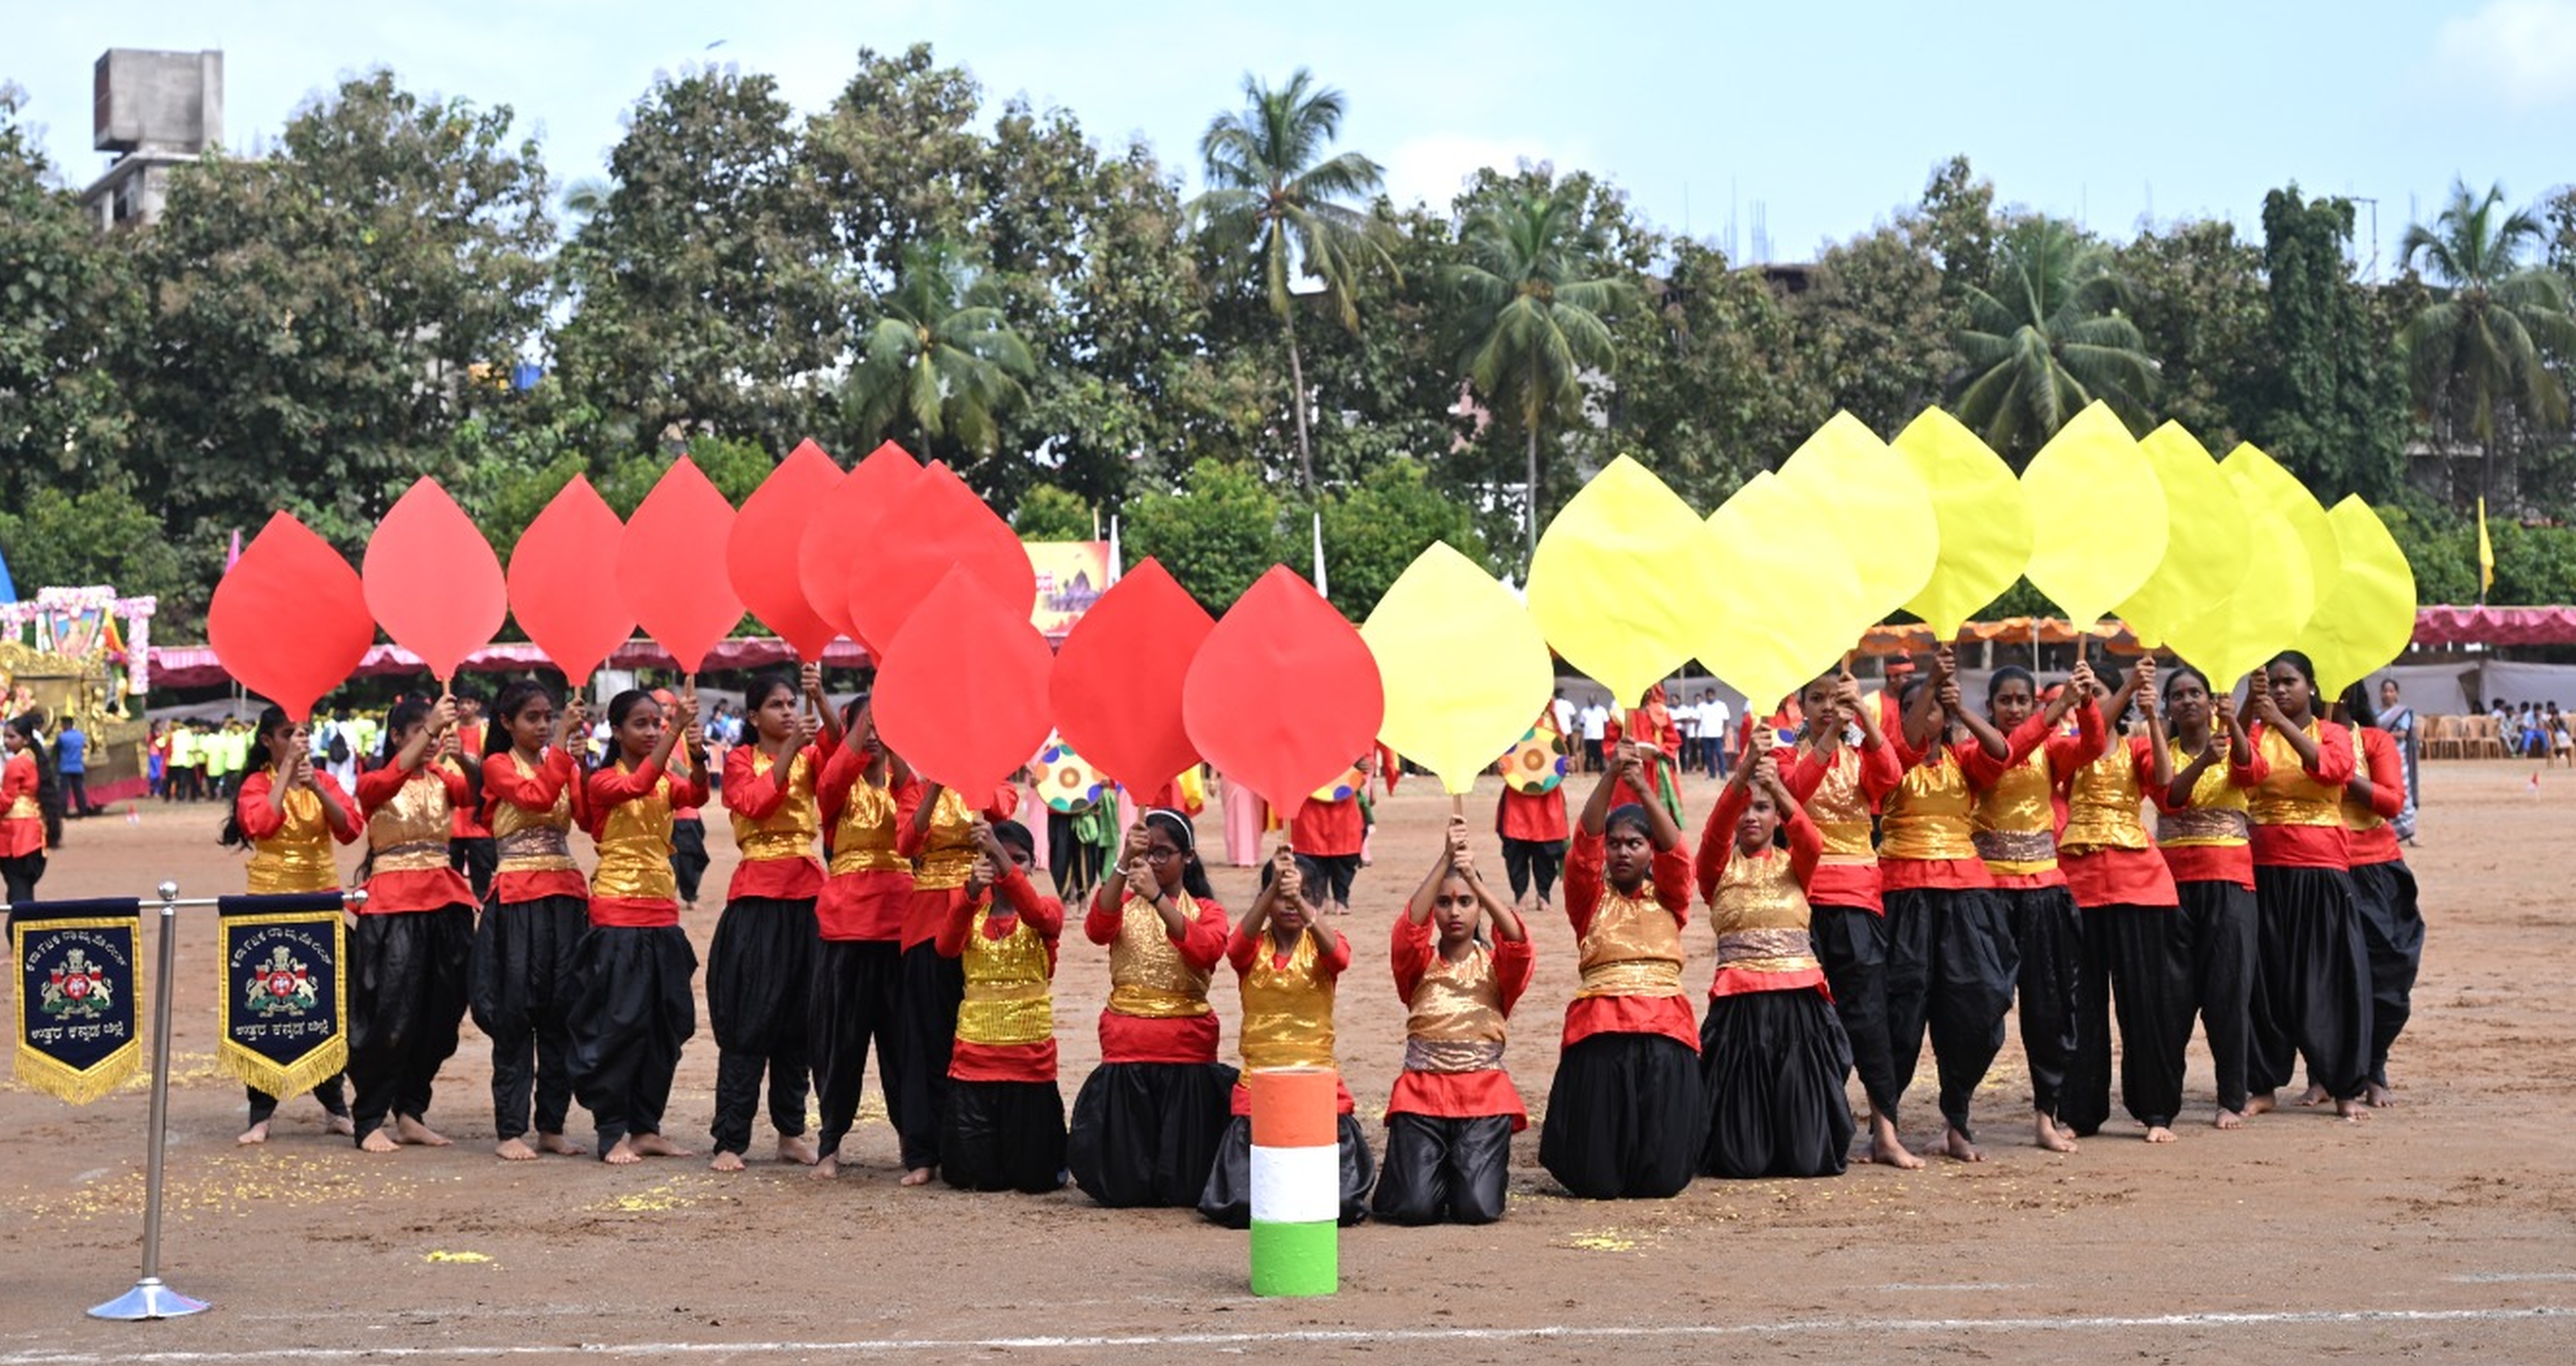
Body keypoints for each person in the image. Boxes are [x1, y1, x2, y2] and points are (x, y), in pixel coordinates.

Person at [1750, 669, 1903, 1167]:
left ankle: (1885, 1131)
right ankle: (1815, 1128)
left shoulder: (1861, 753)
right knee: (1809, 1024)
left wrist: (1862, 716)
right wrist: (1832, 736)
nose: (1823, 707)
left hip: (1858, 899)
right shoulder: (1784, 757)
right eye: (1815, 699)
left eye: (1832, 699)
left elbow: (1892, 780)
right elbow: (1793, 792)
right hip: (1801, 901)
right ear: (1799, 706)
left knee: (1869, 1017)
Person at [1541, 740, 1702, 1200]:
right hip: (1601, 1034)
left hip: (1665, 1033)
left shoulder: (1671, 897)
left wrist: (1643, 790)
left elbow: (1680, 857)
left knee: (1663, 1182)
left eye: (1635, 843)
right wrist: (1611, 776)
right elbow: (1583, 847)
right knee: (1598, 1182)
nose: (1622, 852)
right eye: (1615, 845)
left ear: (1650, 851)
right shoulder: (1588, 898)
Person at [1962, 660, 2105, 1154]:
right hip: (1989, 894)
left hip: (2044, 890)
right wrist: (2057, 708)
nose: (2015, 708)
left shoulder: (2052, 752)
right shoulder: (1972, 752)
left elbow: (2093, 747)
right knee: (1977, 1007)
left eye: (2024, 700)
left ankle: (2047, 1115)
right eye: (2007, 700)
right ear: (1991, 707)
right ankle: (1957, 1117)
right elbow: (2004, 756)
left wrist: (2085, 704)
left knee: (2049, 1010)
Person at [1694, 744, 1854, 1177]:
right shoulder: (1717, 870)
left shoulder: (1798, 865)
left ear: (1778, 817)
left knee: (1806, 1161)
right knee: (1742, 1163)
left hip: (1799, 1009)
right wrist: (1745, 773)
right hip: (1740, 1010)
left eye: (1762, 809)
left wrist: (1780, 791)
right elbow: (1713, 832)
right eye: (1745, 810)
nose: (1751, 817)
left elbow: (1811, 837)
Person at [1066, 809, 1235, 1207]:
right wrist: (1124, 863)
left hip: (1186, 1046)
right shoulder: (1123, 902)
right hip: (1128, 1042)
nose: (1156, 862)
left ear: (1187, 857)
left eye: (1164, 854)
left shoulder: (1208, 910)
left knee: (1185, 1185)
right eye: (1150, 853)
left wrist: (1158, 899)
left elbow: (1205, 949)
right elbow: (1096, 929)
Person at [1199, 846, 1376, 1227]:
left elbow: (1341, 958)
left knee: (1340, 1205)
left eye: (1304, 896)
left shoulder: (1325, 943)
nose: (1290, 904)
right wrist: (1276, 887)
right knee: (1242, 1206)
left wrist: (1299, 898)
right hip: (1259, 1089)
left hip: (1317, 1091)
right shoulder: (1252, 950)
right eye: (1279, 896)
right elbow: (1234, 948)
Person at [570, 687, 708, 1164]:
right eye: (641, 724)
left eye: (656, 723)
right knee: (618, 1024)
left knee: (662, 1025)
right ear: (616, 730)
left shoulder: (667, 777)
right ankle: (611, 1130)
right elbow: (638, 786)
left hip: (661, 912)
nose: (651, 731)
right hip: (618, 912)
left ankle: (646, 1126)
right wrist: (675, 731)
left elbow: (697, 793)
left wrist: (698, 750)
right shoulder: (603, 780)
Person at [706, 667, 835, 1172]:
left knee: (799, 1024)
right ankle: (729, 1139)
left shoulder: (811, 756)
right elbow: (754, 803)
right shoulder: (740, 759)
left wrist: (819, 697)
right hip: (757, 896)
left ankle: (789, 1132)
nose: (787, 711)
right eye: (777, 705)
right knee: (748, 1022)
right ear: (753, 715)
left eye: (790, 703)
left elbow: (844, 756)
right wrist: (790, 752)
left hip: (807, 896)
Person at [1374, 816, 1532, 1225]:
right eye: (1445, 903)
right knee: (1414, 1209)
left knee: (1475, 1209)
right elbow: (1407, 932)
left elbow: (1517, 941)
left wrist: (1475, 882)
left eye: (1465, 902)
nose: (1454, 912)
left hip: (1484, 1097)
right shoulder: (1418, 963)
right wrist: (1445, 859)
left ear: (1479, 907)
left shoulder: (1499, 968)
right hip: (1421, 1095)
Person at [1886, 649, 2009, 1163]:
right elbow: (1906, 743)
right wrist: (1932, 681)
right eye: (1916, 705)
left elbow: (2002, 750)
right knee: (1899, 1013)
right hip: (1904, 894)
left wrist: (1959, 709)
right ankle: (1885, 1126)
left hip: (1965, 894)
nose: (1927, 714)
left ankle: (1956, 1118)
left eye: (1933, 706)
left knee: (1977, 1005)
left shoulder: (1964, 761)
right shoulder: (1889, 758)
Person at [2057, 659, 2185, 1143]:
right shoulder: (2068, 748)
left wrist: (2153, 717)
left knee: (2145, 1004)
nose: (2092, 702)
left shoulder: (2135, 749)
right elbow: (2093, 728)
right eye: (2085, 694)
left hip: (2140, 885)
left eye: (2099, 693)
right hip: (2079, 884)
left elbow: (2168, 789)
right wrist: (2121, 688)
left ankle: (2156, 1112)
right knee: (2081, 1006)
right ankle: (2080, 1110)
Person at [219, 705, 359, 1144]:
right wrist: (285, 777)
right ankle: (261, 1111)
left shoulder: (323, 780)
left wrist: (316, 785)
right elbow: (260, 823)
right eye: (288, 734)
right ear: (268, 741)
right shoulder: (255, 784)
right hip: (269, 907)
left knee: (329, 1008)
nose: (299, 741)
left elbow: (351, 829)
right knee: (267, 1010)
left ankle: (335, 1104)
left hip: (321, 905)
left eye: (304, 733)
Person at [2244, 651, 2372, 1122]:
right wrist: (2250, 717)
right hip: (2264, 867)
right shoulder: (2257, 734)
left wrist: (2280, 721)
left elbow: (2333, 771)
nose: (2279, 691)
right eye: (2272, 684)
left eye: (2289, 682)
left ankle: (2343, 1087)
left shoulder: (2334, 732)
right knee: (2265, 983)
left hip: (2321, 870)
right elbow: (2244, 775)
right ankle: (2262, 1085)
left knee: (2330, 981)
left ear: (2311, 688)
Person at [347, 697, 477, 1154]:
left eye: (434, 730)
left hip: (446, 900)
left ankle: (411, 1111)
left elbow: (476, 794)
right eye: (420, 730)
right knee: (389, 1015)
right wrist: (433, 732)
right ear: (399, 737)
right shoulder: (374, 782)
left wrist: (461, 753)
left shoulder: (444, 779)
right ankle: (368, 1118)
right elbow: (381, 786)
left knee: (439, 1018)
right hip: (393, 906)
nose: (431, 738)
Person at [470, 681, 593, 1161]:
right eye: (533, 718)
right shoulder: (498, 766)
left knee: (562, 1014)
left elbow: (583, 819)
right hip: (519, 898)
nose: (543, 726)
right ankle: (510, 1129)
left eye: (549, 717)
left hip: (564, 896)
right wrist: (564, 747)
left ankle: (552, 1126)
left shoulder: (557, 761)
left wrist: (577, 764)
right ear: (506, 723)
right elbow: (539, 798)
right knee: (515, 1014)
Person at [807, 694, 918, 1180]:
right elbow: (831, 777)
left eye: (882, 726)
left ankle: (914, 1146)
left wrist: (895, 733)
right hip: (847, 926)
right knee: (840, 1044)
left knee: (903, 1046)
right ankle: (829, 1145)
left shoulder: (905, 785)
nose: (873, 734)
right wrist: (869, 711)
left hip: (900, 925)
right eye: (863, 727)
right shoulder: (837, 790)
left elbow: (917, 802)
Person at [891, 772, 1021, 1186]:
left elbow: (1005, 809)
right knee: (926, 1038)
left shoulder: (990, 776)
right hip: (928, 915)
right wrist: (935, 785)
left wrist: (973, 780)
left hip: (980, 909)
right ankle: (923, 1151)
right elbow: (906, 844)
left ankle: (973, 1143)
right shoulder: (914, 786)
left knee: (978, 1036)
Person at [2154, 665, 2263, 1129]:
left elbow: (2251, 769)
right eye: (2177, 695)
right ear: (2168, 708)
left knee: (2228, 992)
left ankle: (2231, 1097)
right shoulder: (2160, 751)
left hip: (2230, 880)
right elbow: (2168, 798)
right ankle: (2163, 1100)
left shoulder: (2232, 741)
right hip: (2171, 884)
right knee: (2171, 997)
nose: (2187, 701)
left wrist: (2235, 720)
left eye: (2195, 692)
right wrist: (2203, 762)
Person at [936, 818, 1068, 1193]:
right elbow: (945, 948)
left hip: (1030, 1064)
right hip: (976, 1060)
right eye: (995, 858)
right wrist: (970, 892)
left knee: (1034, 1178)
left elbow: (1037, 916)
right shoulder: (969, 909)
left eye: (1018, 859)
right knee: (972, 1178)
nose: (1005, 865)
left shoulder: (1049, 908)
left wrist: (994, 850)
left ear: (1033, 863)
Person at [2333, 684, 2419, 1111]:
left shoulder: (2373, 740)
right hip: (2318, 872)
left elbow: (2391, 802)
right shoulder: (2289, 740)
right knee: (2324, 978)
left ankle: (2375, 1066)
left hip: (2375, 869)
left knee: (2387, 974)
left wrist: (2340, 771)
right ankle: (2325, 1073)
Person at [1496, 711, 1571, 914]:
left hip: (1547, 796)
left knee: (1548, 850)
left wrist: (1565, 764)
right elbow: (1504, 751)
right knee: (1516, 850)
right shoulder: (1514, 719)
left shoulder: (1550, 718)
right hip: (1518, 796)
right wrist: (1501, 763)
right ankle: (1521, 896)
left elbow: (1561, 749)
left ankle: (1543, 895)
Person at [1289, 756, 1370, 915]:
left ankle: (1342, 898)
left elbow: (1364, 755)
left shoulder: (1350, 732)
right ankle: (1320, 897)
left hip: (1345, 801)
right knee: (1312, 856)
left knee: (1345, 859)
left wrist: (1361, 764)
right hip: (1310, 800)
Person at [2, 714, 63, 902]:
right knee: (21, 889)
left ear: (26, 739)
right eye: (5, 737)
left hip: (15, 837)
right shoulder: (35, 759)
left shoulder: (17, 764)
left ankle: (19, 930)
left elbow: (5, 801)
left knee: (19, 892)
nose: (6, 741)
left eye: (11, 737)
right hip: (34, 833)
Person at [2375, 679, 2418, 842]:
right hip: (2382, 757)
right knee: (2385, 790)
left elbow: (2402, 733)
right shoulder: (2376, 713)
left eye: (2391, 691)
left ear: (2397, 694)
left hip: (2399, 755)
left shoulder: (2403, 713)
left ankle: (2410, 832)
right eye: (2385, 691)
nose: (2388, 694)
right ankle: (2390, 833)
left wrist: (2383, 735)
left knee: (2403, 790)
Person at [55, 717, 92, 819]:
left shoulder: (62, 737)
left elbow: (56, 752)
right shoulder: (80, 736)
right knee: (79, 791)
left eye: (62, 725)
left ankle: (63, 814)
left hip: (65, 768)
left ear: (65, 725)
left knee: (64, 792)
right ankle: (83, 813)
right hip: (78, 767)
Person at [1579, 697, 1610, 773]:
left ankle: (1602, 769)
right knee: (1588, 754)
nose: (1591, 702)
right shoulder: (1584, 711)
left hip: (1599, 735)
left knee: (1601, 753)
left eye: (1593, 700)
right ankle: (1587, 770)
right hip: (1588, 736)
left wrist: (1605, 732)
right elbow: (1581, 723)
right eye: (1590, 700)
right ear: (1588, 701)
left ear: (1596, 701)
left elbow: (1606, 722)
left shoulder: (1602, 710)